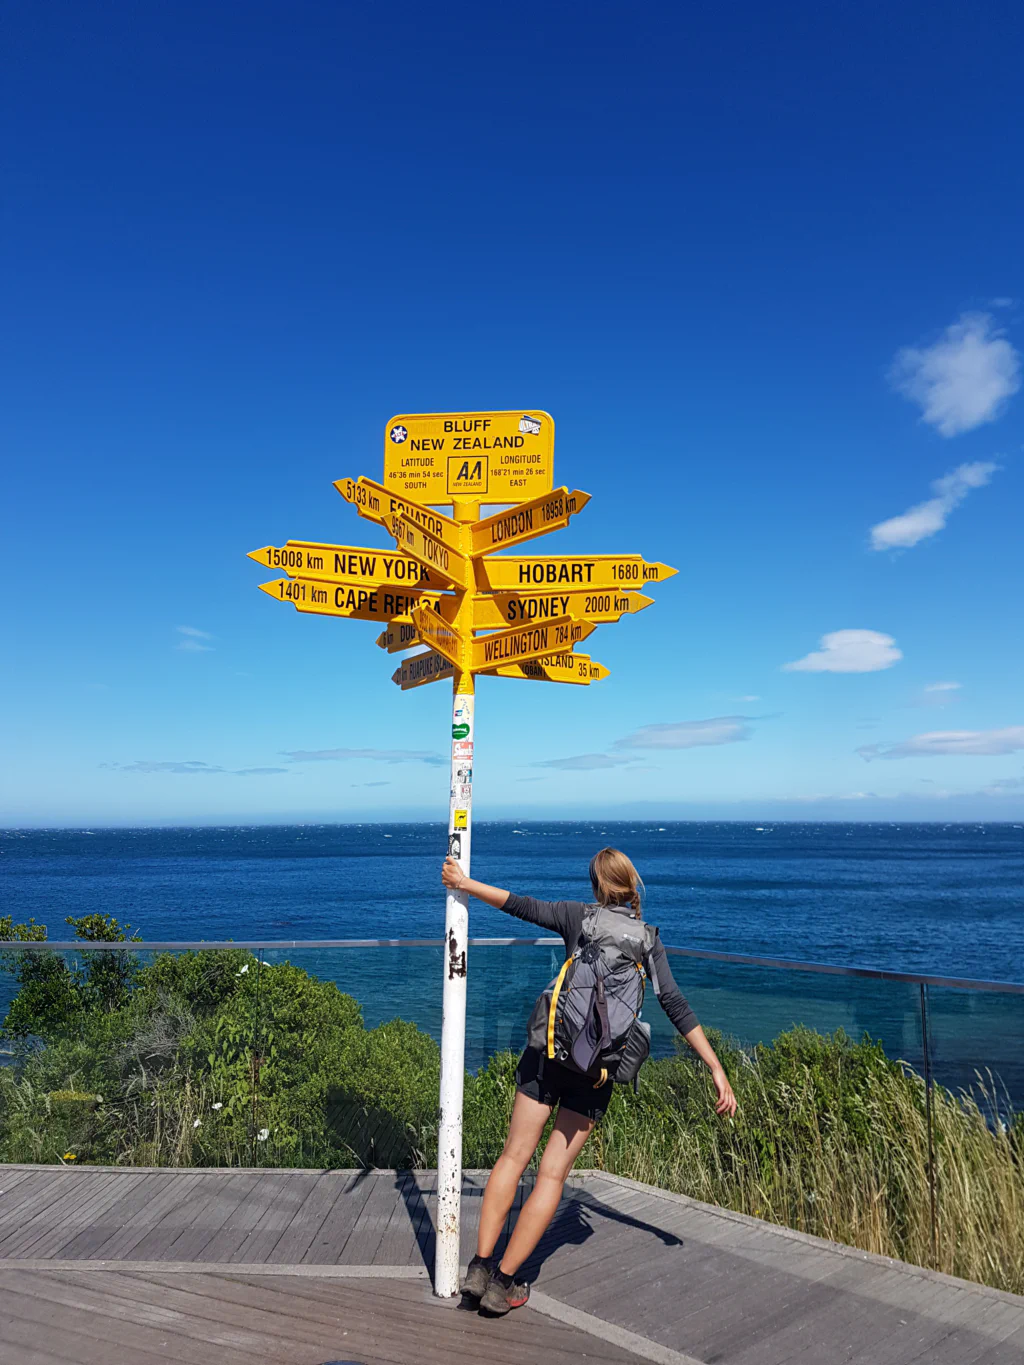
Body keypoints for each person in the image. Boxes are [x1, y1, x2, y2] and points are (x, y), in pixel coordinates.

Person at [440, 846, 737, 1316]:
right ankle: (504, 1284)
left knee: (513, 1157)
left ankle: (479, 1268)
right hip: (596, 1072)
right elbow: (675, 1004)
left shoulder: (577, 918)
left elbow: (520, 905)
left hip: (548, 1054)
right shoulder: (648, 940)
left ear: (597, 885)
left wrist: (464, 883)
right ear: (632, 886)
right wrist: (715, 1067)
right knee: (551, 1175)